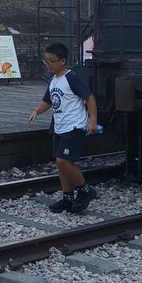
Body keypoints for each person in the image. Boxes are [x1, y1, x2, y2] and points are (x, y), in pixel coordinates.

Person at [27, 41, 99, 213]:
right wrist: (37, 110)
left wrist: (93, 120)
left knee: (63, 161)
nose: (48, 65)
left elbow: (89, 98)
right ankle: (68, 196)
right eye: (46, 61)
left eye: (52, 61)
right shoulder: (53, 81)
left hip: (74, 126)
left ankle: (85, 191)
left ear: (62, 61)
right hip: (60, 127)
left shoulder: (71, 78)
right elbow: (48, 101)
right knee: (61, 164)